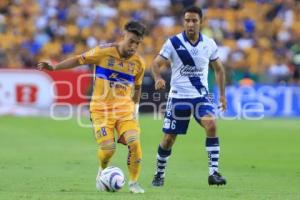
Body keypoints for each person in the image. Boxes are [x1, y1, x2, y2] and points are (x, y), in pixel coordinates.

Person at [37, 21, 146, 193]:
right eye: (131, 41)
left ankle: (134, 183)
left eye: (138, 43)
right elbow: (79, 59)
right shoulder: (104, 52)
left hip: (125, 111)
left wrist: (135, 111)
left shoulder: (138, 62)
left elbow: (138, 88)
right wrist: (55, 67)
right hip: (101, 110)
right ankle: (102, 170)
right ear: (123, 36)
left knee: (134, 142)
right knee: (108, 149)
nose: (134, 46)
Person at [150, 6, 227, 186]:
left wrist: (222, 95)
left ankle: (213, 173)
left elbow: (219, 70)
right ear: (183, 22)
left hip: (201, 96)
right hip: (178, 97)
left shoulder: (209, 43)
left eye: (194, 20)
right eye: (187, 20)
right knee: (169, 139)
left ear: (201, 22)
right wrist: (158, 77)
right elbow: (155, 64)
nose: (190, 24)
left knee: (211, 124)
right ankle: (159, 174)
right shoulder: (173, 43)